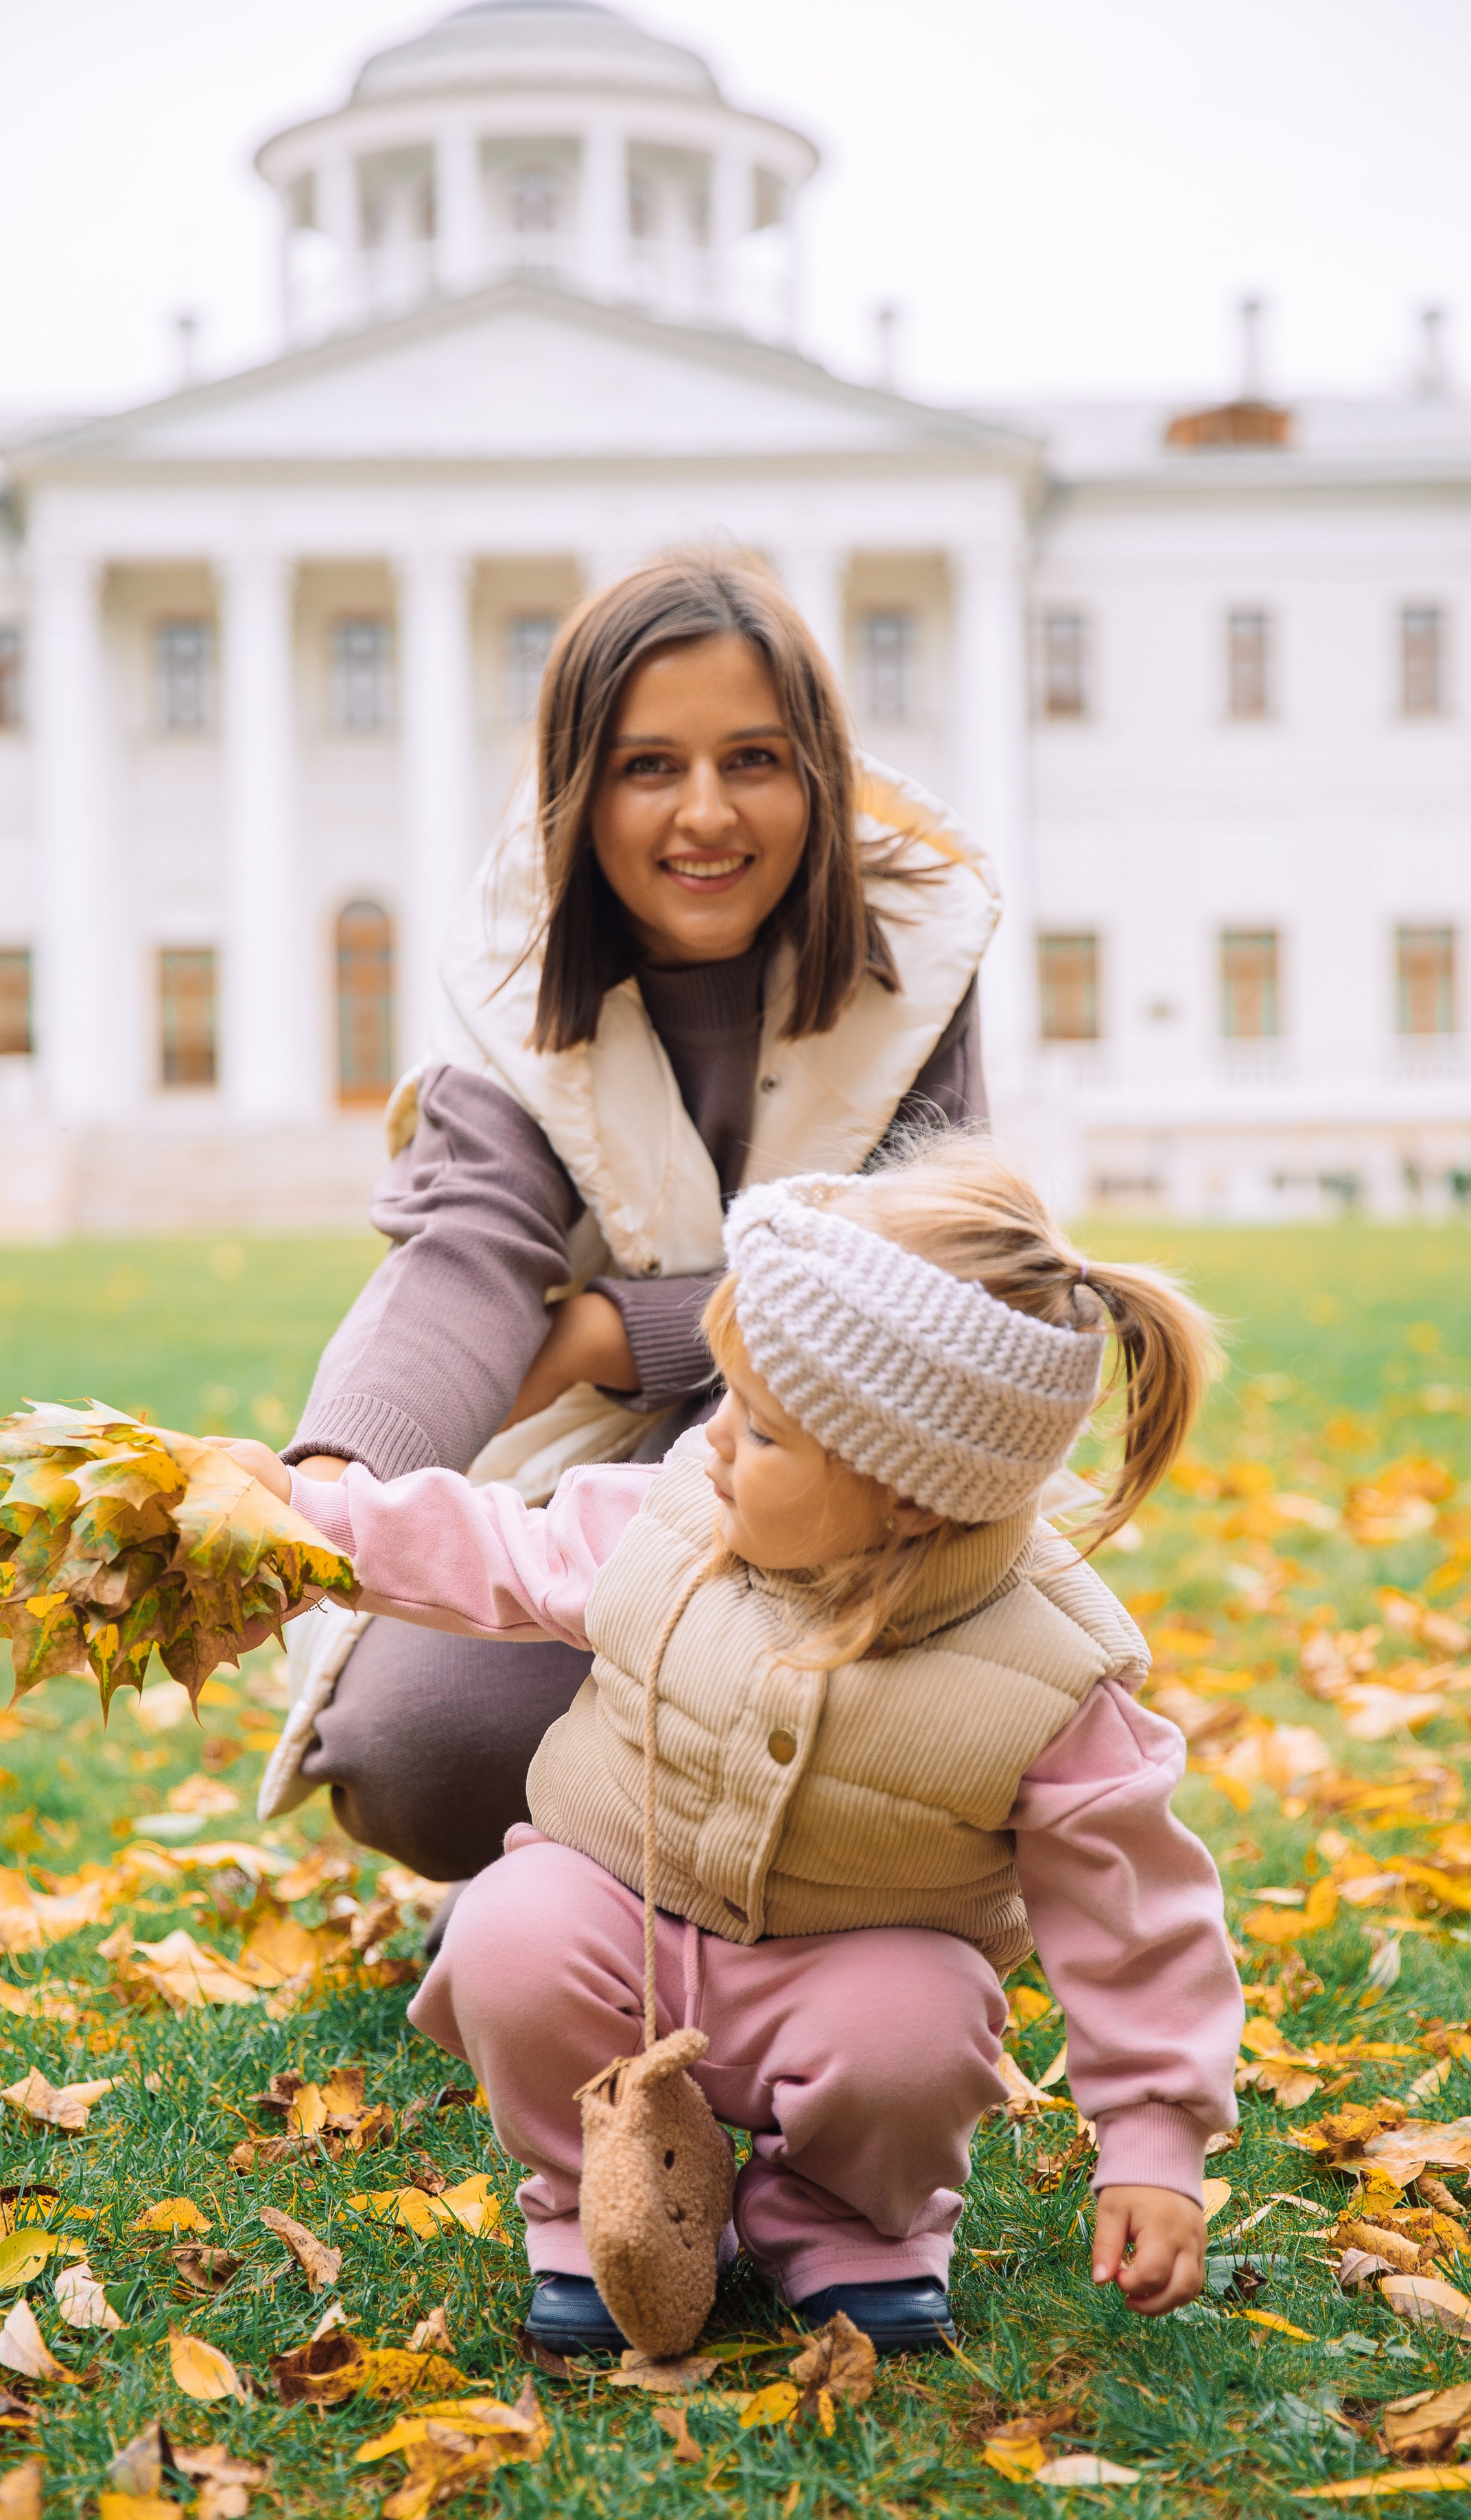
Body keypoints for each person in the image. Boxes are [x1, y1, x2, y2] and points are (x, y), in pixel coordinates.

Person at [220, 1139, 1244, 2357]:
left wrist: (1155, 2141)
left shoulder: (1049, 1674)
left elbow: (1136, 1920)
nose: (710, 1444)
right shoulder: (674, 1517)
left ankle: (842, 2219)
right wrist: (308, 1519)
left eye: (759, 1432)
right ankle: (606, 2187)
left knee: (917, 2033)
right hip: (625, 1914)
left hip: (853, 1964)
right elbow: (493, 1548)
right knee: (511, 1936)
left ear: (909, 1492)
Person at [258, 551, 998, 1882]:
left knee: (899, 1714)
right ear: (578, 789)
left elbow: (925, 1290)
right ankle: (578, 1883)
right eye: (648, 766)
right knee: (413, 1749)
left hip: (853, 1465)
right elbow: (463, 1254)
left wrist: (617, 1326)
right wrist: (326, 1494)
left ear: (816, 778)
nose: (703, 814)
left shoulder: (915, 956)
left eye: (753, 760)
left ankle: (798, 1911)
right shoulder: (513, 975)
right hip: (590, 1464)